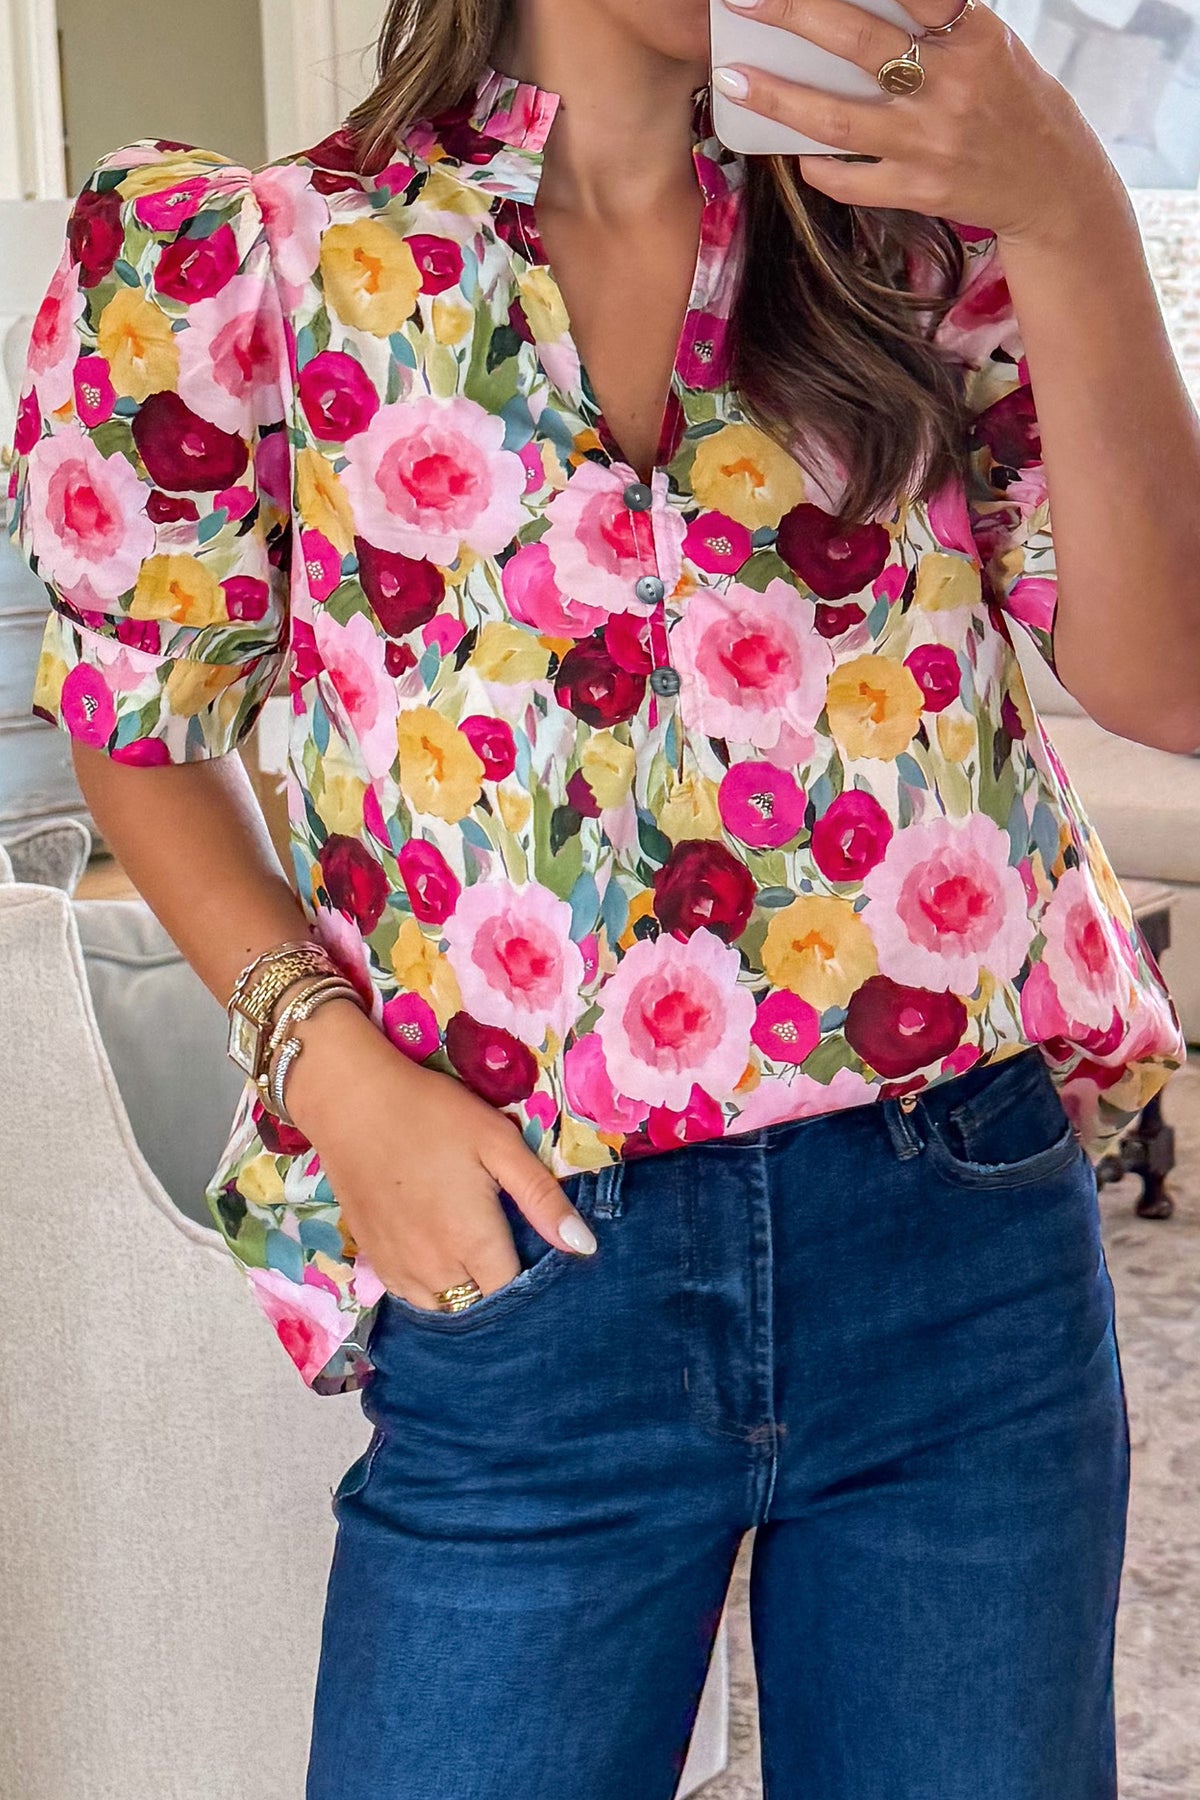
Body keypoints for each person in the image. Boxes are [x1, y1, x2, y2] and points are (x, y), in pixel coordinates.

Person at [10, 0, 1198, 1791]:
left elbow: (1169, 679)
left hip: (958, 1248)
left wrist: (1071, 207)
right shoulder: (247, 261)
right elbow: (139, 728)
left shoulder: (922, 248)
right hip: (529, 1275)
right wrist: (330, 1067)